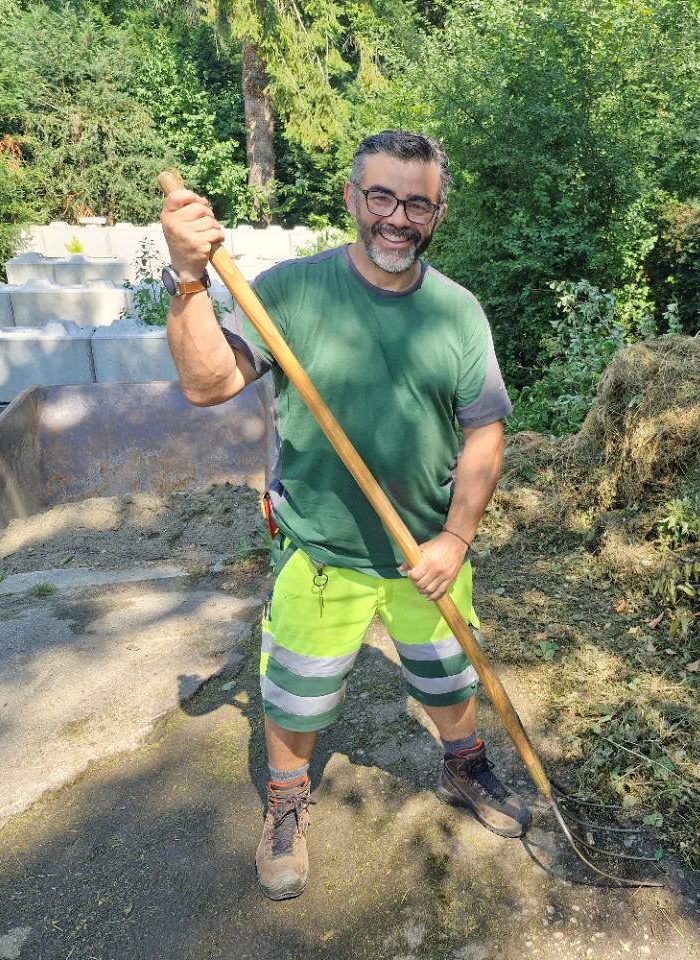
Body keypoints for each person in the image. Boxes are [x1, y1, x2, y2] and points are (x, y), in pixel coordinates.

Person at [160, 130, 530, 901]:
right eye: (382, 197)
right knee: (295, 692)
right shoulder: (291, 291)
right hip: (319, 551)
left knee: (448, 675)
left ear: (439, 211)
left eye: (418, 203)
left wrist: (457, 538)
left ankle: (466, 766)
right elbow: (204, 383)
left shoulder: (457, 313)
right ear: (352, 198)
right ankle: (287, 802)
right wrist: (191, 280)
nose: (398, 217)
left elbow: (485, 432)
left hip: (426, 555)